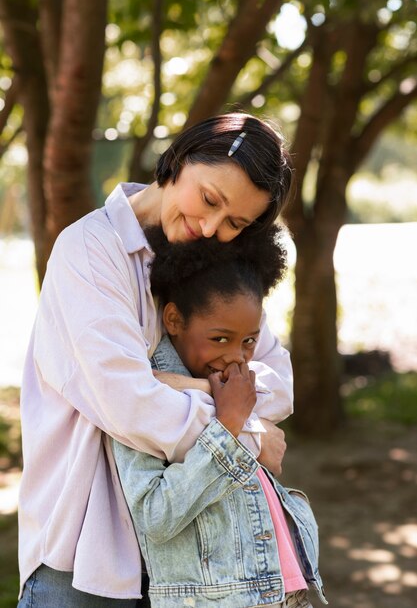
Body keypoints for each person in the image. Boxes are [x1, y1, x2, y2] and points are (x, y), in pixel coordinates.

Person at [18, 113, 294, 607]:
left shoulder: (213, 260)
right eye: (210, 199)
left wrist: (190, 387)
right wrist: (243, 432)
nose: (211, 227)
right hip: (85, 558)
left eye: (236, 223)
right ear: (181, 160)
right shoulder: (90, 251)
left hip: (189, 564)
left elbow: (276, 379)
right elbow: (130, 404)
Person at [112, 227, 327, 607]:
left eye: (248, 341)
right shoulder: (146, 393)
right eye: (220, 339)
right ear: (174, 320)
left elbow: (281, 391)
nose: (236, 357)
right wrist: (228, 427)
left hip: (285, 589)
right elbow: (155, 515)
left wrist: (208, 392)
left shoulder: (228, 385)